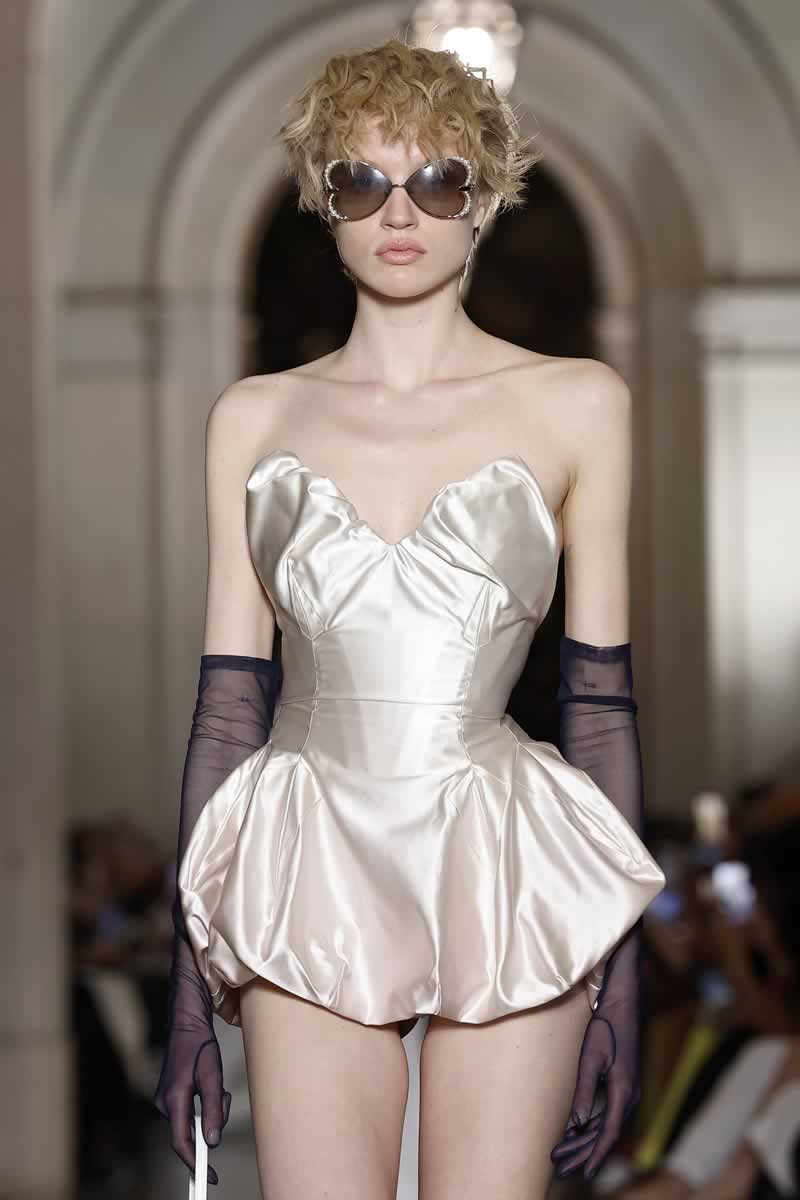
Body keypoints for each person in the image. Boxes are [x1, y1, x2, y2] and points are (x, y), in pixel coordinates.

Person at [152, 36, 666, 1199]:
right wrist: (189, 989)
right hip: (305, 853)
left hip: (501, 854)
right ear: (321, 202)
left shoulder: (576, 402)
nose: (399, 211)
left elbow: (597, 698)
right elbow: (228, 707)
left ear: (482, 200)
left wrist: (622, 977)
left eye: (436, 180)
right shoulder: (253, 417)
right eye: (361, 181)